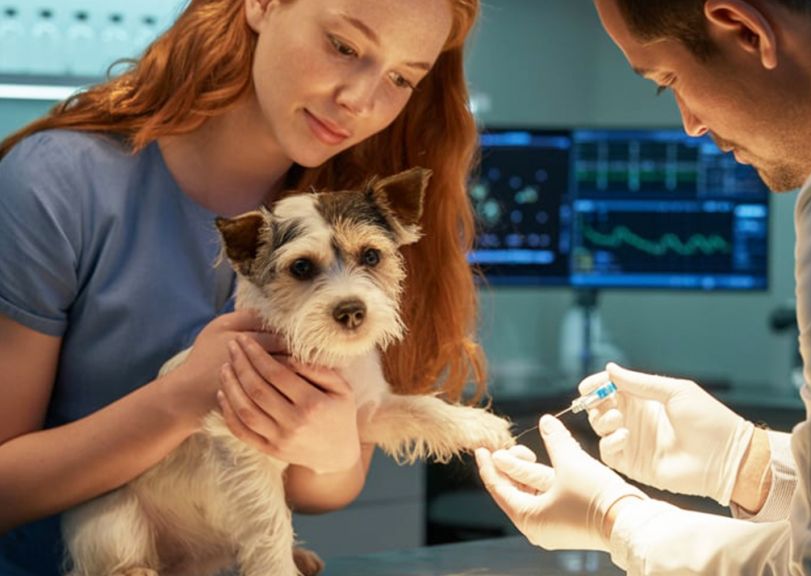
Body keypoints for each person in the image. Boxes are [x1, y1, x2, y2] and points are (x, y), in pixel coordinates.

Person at [477, 0, 811, 573]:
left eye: (668, 81)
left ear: (743, 27)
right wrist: (746, 461)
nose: (690, 123)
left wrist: (620, 521)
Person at [0, 0, 486, 573]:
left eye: (401, 77)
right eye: (344, 46)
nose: (360, 100)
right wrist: (184, 397)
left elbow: (322, 488)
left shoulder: (345, 210)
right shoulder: (56, 186)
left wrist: (330, 446)